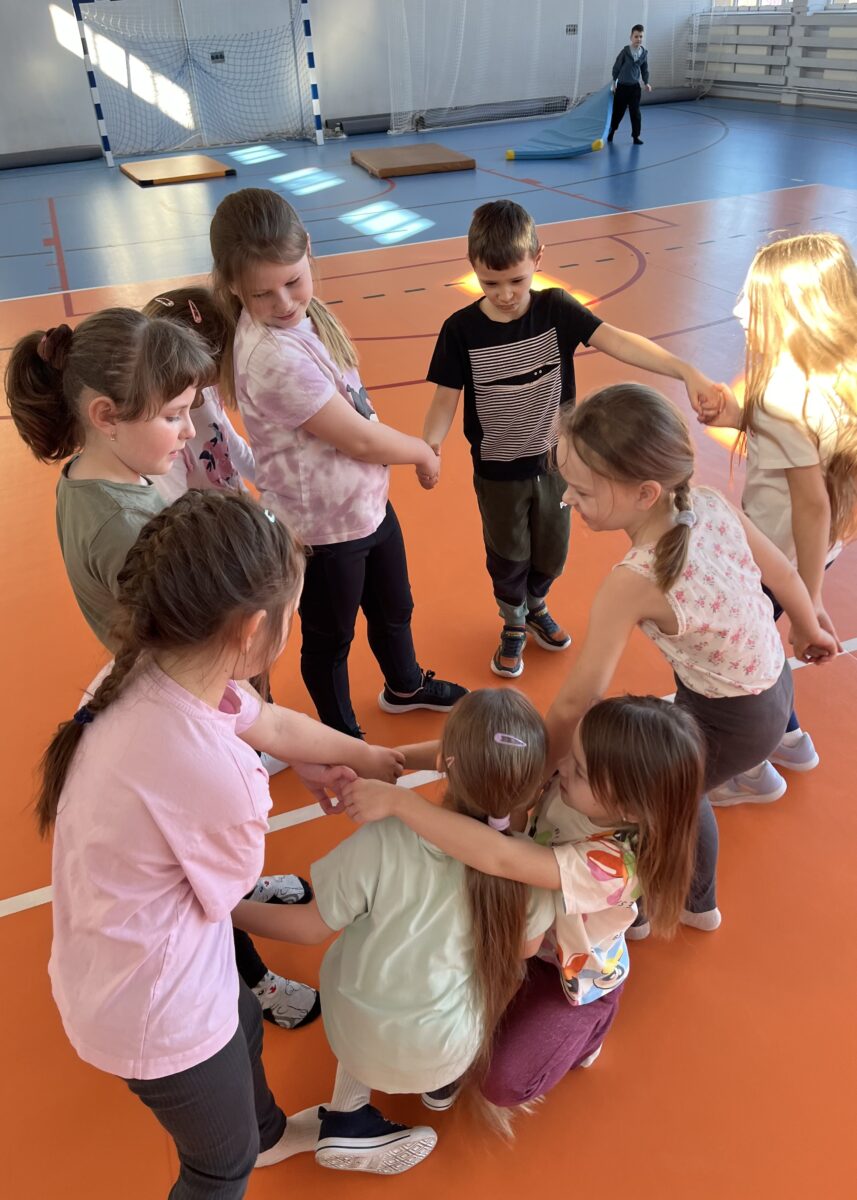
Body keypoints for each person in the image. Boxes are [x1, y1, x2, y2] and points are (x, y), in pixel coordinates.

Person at [5, 316, 400, 1029]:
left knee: (217, 857)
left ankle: (243, 888)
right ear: (106, 416)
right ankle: (252, 980)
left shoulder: (110, 477)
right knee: (201, 877)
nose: (190, 431)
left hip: (180, 682)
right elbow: (200, 640)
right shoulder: (121, 526)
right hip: (178, 695)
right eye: (174, 415)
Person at [39, 490, 409, 1197]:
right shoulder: (220, 775)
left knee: (243, 1022)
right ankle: (248, 1147)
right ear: (252, 630)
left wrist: (367, 757)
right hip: (154, 1011)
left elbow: (268, 723)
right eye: (292, 614)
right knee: (218, 1167)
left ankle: (264, 1134)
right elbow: (230, 896)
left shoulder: (151, 672)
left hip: (137, 956)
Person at [545, 384, 838, 928]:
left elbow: (577, 700)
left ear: (645, 493)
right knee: (681, 776)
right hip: (772, 687)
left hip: (736, 716)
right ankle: (753, 780)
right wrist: (806, 623)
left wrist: (542, 768)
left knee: (661, 797)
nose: (567, 499)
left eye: (582, 491)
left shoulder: (633, 580)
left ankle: (684, 903)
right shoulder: (707, 502)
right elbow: (783, 573)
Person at [232, 688, 555, 1173]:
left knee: (366, 970)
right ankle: (439, 1086)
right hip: (446, 1050)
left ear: (447, 765)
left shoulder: (386, 838)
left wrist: (230, 910)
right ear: (535, 786)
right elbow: (522, 954)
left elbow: (309, 927)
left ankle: (348, 1114)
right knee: (484, 981)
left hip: (351, 1032)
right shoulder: (535, 872)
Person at [338, 694, 703, 1111]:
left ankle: (595, 1023)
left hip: (566, 970)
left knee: (503, 1083)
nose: (561, 764)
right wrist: (395, 758)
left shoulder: (616, 866)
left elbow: (503, 857)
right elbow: (480, 753)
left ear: (628, 808)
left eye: (579, 769)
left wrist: (401, 803)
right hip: (524, 929)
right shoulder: (576, 782)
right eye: (572, 755)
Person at [424, 199, 722, 677]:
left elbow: (618, 340)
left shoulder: (556, 309)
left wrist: (684, 369)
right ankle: (513, 621)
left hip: (559, 467)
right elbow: (445, 399)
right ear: (473, 267)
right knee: (508, 555)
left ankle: (537, 605)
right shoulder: (460, 330)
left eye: (517, 280)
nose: (505, 295)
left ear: (538, 259)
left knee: (552, 553)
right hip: (499, 474)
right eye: (490, 283)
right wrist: (430, 445)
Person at [209, 188, 467, 738]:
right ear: (233, 287)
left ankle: (405, 686)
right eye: (262, 293)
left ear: (308, 249)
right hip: (322, 529)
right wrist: (423, 453)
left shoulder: (305, 318)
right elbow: (361, 441)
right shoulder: (272, 356)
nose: (284, 302)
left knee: (394, 607)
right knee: (330, 639)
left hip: (364, 505)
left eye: (293, 281)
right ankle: (343, 736)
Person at [698, 233, 855, 803]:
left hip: (774, 553)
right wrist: (738, 415)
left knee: (737, 656)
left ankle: (750, 768)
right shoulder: (832, 378)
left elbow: (812, 503)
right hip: (814, 547)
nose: (739, 309)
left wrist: (807, 602)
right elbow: (805, 454)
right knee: (761, 640)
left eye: (753, 300)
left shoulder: (783, 393)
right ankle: (790, 737)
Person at [142, 286, 257, 503]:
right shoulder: (164, 434)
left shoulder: (207, 393)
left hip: (240, 510)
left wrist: (276, 485)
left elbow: (234, 448)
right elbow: (178, 508)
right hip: (214, 522)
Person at [608, 24, 651, 145]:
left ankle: (636, 136)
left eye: (641, 36)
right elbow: (616, 67)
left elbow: (644, 69)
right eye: (636, 36)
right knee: (618, 113)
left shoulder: (643, 53)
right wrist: (614, 82)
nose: (638, 39)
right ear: (631, 37)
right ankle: (612, 131)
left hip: (635, 88)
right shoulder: (625, 52)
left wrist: (646, 82)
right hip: (622, 87)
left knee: (635, 113)